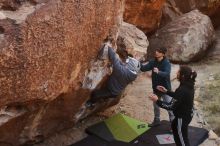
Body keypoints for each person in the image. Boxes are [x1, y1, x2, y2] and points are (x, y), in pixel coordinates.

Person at [149, 65, 197, 146]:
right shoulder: (188, 85)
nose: (176, 73)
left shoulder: (182, 89)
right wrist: (166, 91)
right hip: (187, 114)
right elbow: (179, 96)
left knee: (183, 140)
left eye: (178, 72)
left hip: (182, 117)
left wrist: (157, 101)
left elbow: (171, 106)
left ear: (183, 75)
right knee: (174, 127)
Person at [86, 41, 140, 108]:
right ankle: (104, 98)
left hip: (111, 91)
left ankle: (91, 104)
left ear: (130, 66)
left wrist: (108, 46)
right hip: (116, 90)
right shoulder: (133, 75)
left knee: (95, 94)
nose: (126, 62)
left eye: (128, 63)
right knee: (104, 94)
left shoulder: (121, 71)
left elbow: (114, 58)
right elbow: (122, 65)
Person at [140, 47, 174, 127]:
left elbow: (166, 73)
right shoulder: (153, 62)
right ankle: (156, 121)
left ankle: (174, 125)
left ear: (163, 54)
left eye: (158, 51)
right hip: (156, 89)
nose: (156, 52)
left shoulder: (166, 63)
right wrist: (137, 62)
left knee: (170, 108)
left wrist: (158, 72)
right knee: (156, 106)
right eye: (156, 50)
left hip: (165, 90)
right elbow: (143, 68)